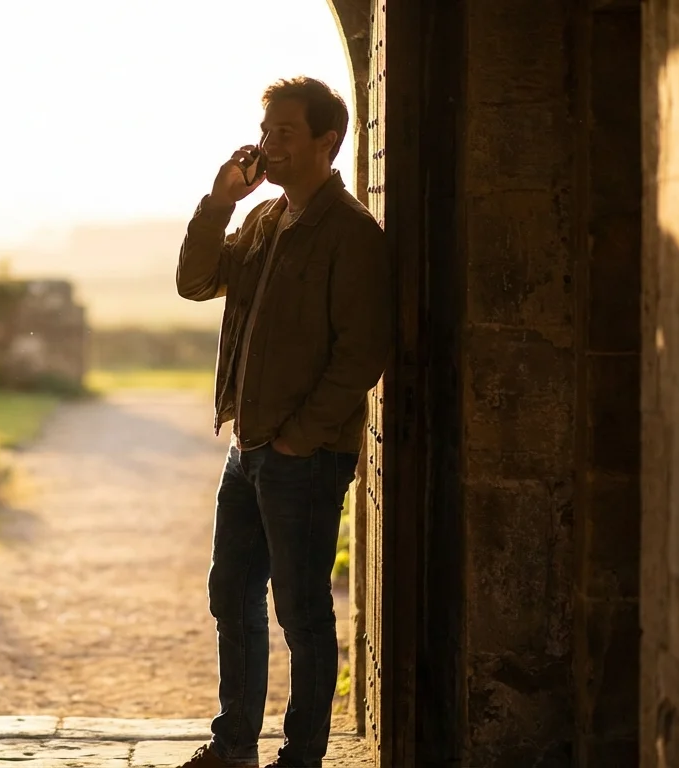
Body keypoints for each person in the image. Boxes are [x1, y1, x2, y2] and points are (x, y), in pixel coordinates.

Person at [173, 76, 392, 768]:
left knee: (301, 610)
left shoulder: (352, 234)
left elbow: (362, 350)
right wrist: (219, 202)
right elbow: (196, 281)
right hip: (250, 444)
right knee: (230, 591)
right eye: (266, 132)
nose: (268, 145)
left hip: (303, 452)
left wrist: (303, 434)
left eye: (285, 134)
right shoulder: (264, 220)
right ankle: (233, 743)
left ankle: (302, 756)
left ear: (328, 142)